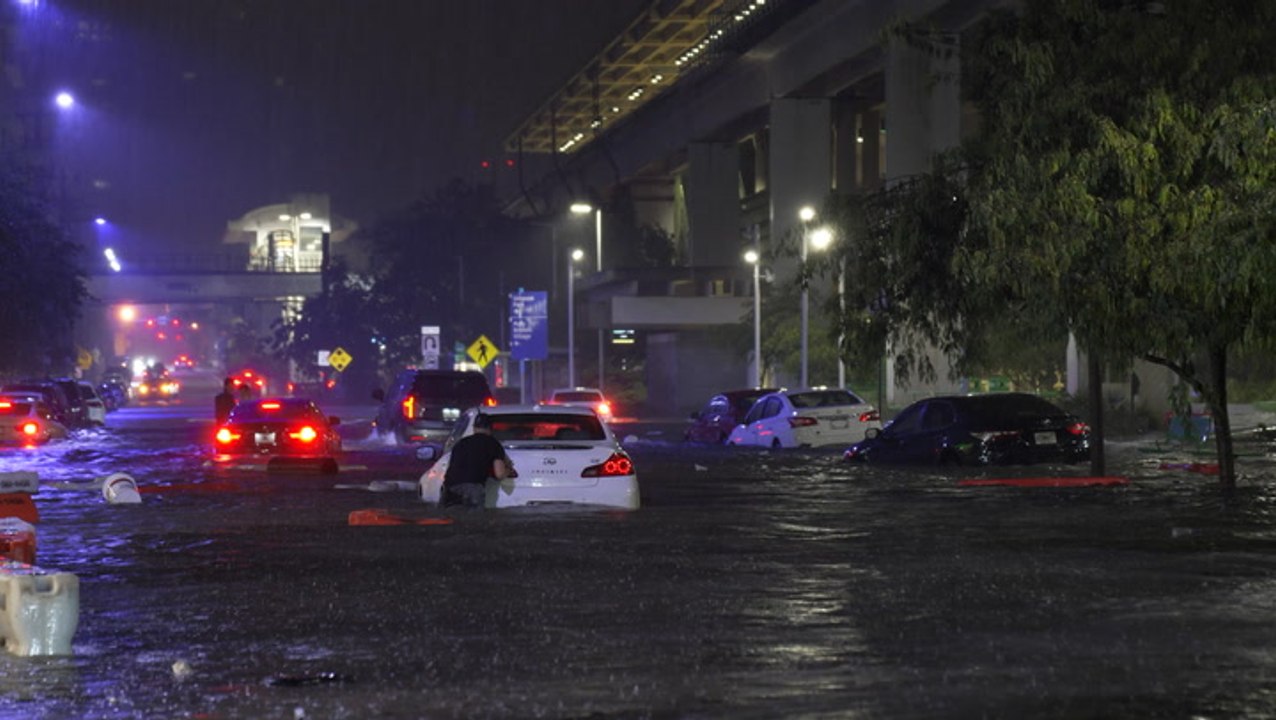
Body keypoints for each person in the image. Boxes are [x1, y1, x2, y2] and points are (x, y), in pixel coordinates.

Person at [441, 413, 511, 508]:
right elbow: (499, 474)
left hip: (450, 486)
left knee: (450, 518)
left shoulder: (461, 443)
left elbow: (450, 466)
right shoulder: (493, 444)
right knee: (473, 520)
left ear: (474, 428)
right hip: (473, 488)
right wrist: (509, 470)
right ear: (490, 428)